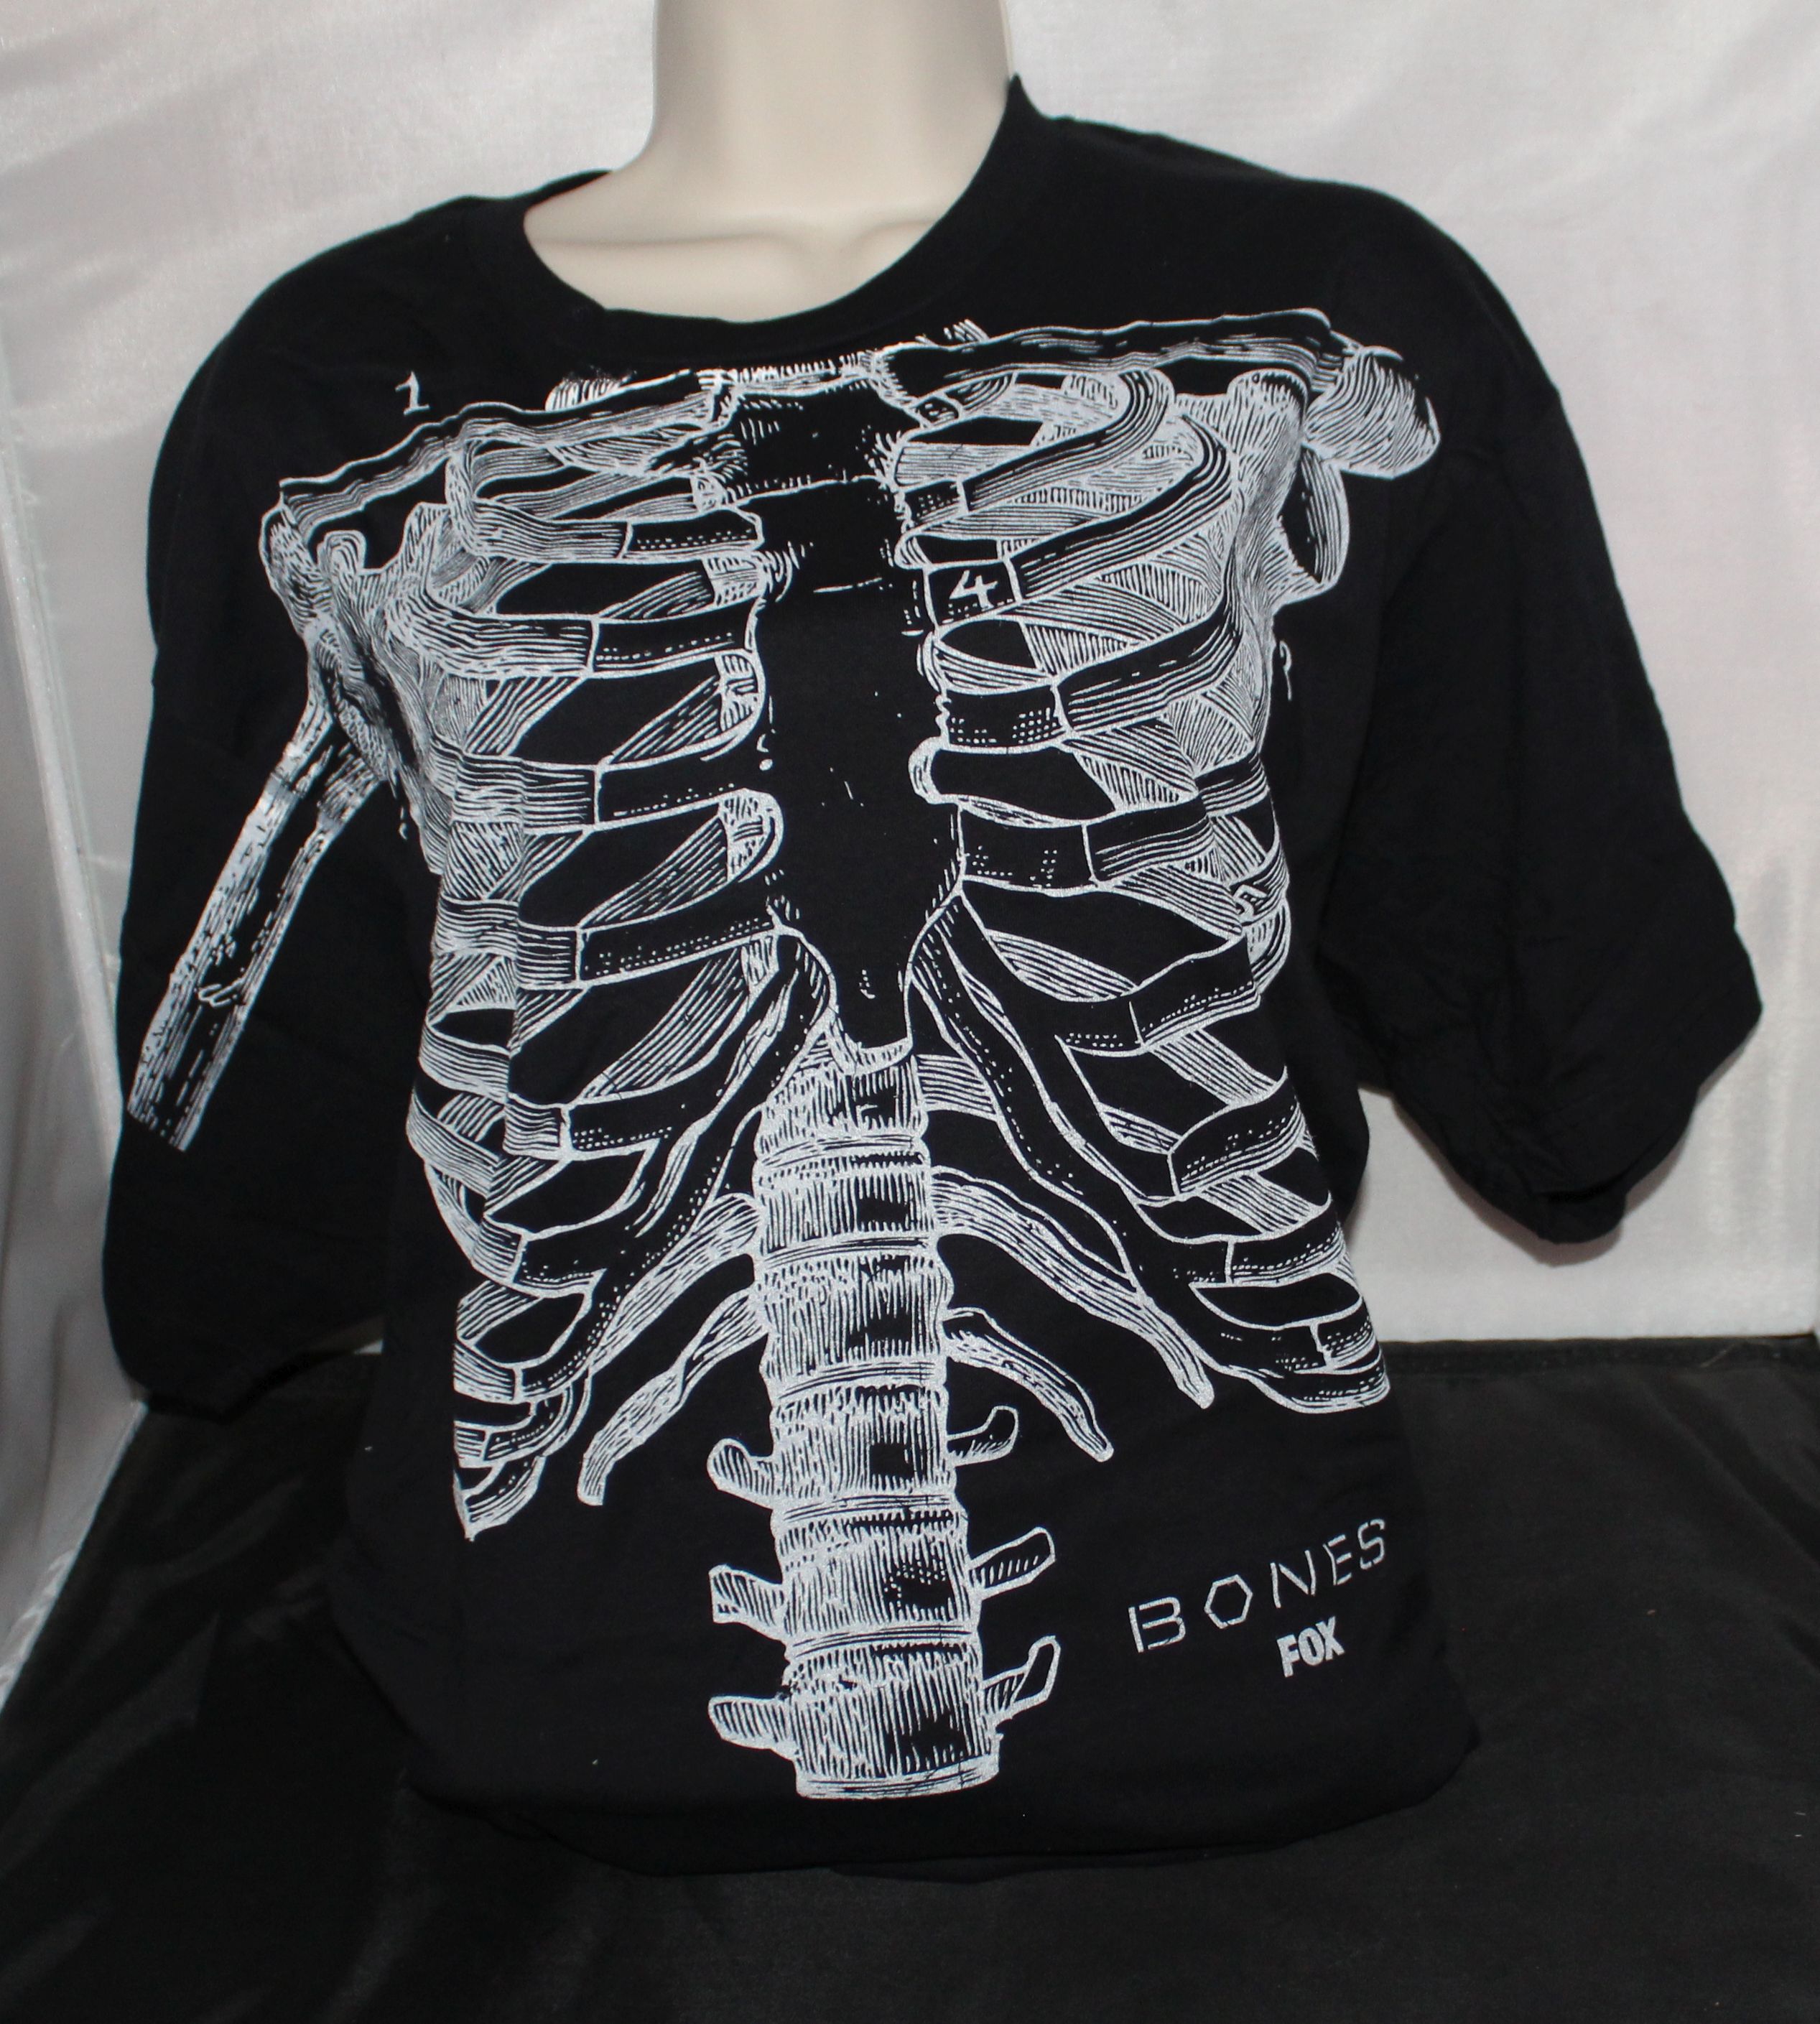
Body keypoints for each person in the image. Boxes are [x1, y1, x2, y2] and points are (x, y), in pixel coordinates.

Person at [104, 0, 1758, 1875]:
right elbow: (1579, 1095)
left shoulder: (335, 416)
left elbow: (1568, 1090)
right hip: (570, 1748)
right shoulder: (318, 385)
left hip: (1245, 1720)